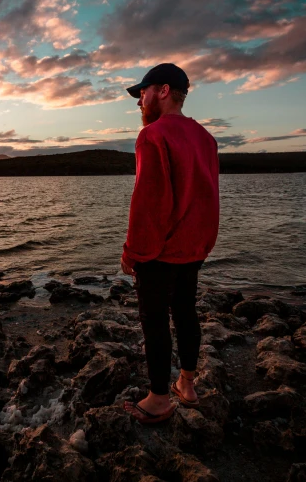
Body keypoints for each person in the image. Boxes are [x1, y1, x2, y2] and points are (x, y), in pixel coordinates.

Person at [120, 63, 220, 424]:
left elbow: (149, 202)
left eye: (142, 93)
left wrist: (133, 252)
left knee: (155, 320)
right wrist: (203, 245)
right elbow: (210, 199)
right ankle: (187, 385)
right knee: (185, 312)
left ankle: (159, 399)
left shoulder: (153, 135)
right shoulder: (206, 138)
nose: (139, 102)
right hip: (192, 249)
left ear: (162, 91)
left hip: (160, 251)